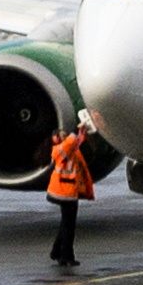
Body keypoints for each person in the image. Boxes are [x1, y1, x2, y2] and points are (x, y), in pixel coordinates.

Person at [45, 112, 99, 266]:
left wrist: (83, 131)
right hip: (65, 193)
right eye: (64, 134)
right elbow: (71, 142)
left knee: (66, 224)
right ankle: (66, 256)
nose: (67, 135)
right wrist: (78, 128)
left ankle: (57, 251)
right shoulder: (60, 149)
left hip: (66, 191)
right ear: (59, 139)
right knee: (69, 226)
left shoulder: (67, 148)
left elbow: (76, 141)